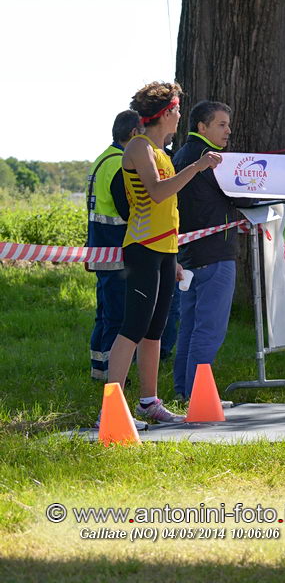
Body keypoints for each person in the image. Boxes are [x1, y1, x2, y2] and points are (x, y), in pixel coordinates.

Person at [103, 81, 222, 426]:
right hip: (142, 247)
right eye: (178, 109)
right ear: (167, 112)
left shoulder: (161, 151)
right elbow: (157, 192)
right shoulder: (139, 146)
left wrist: (175, 257)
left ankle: (148, 402)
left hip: (165, 248)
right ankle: (109, 409)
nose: (180, 115)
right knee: (133, 327)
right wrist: (196, 167)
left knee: (154, 330)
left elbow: (167, 209)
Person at [172, 100, 250, 401]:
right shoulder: (213, 160)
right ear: (202, 127)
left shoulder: (181, 155)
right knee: (209, 330)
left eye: (228, 124)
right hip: (214, 256)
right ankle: (198, 397)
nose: (228, 131)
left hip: (187, 257)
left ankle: (184, 391)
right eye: (221, 124)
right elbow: (243, 197)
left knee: (190, 328)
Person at [85, 110, 141, 381]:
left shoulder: (102, 159)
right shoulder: (120, 163)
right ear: (134, 134)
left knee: (104, 312)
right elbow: (125, 209)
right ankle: (113, 373)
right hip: (116, 248)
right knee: (117, 315)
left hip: (99, 245)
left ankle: (99, 368)